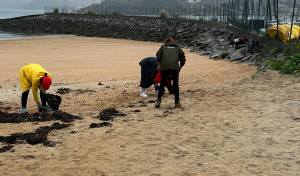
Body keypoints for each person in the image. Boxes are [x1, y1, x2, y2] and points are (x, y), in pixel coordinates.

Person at [155, 37, 186, 108]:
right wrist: (180, 67)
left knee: (162, 84)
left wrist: (160, 65)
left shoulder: (163, 47)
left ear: (165, 42)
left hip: (164, 68)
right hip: (175, 68)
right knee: (176, 85)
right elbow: (183, 59)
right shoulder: (178, 48)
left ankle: (158, 101)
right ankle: (177, 102)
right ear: (172, 42)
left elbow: (158, 56)